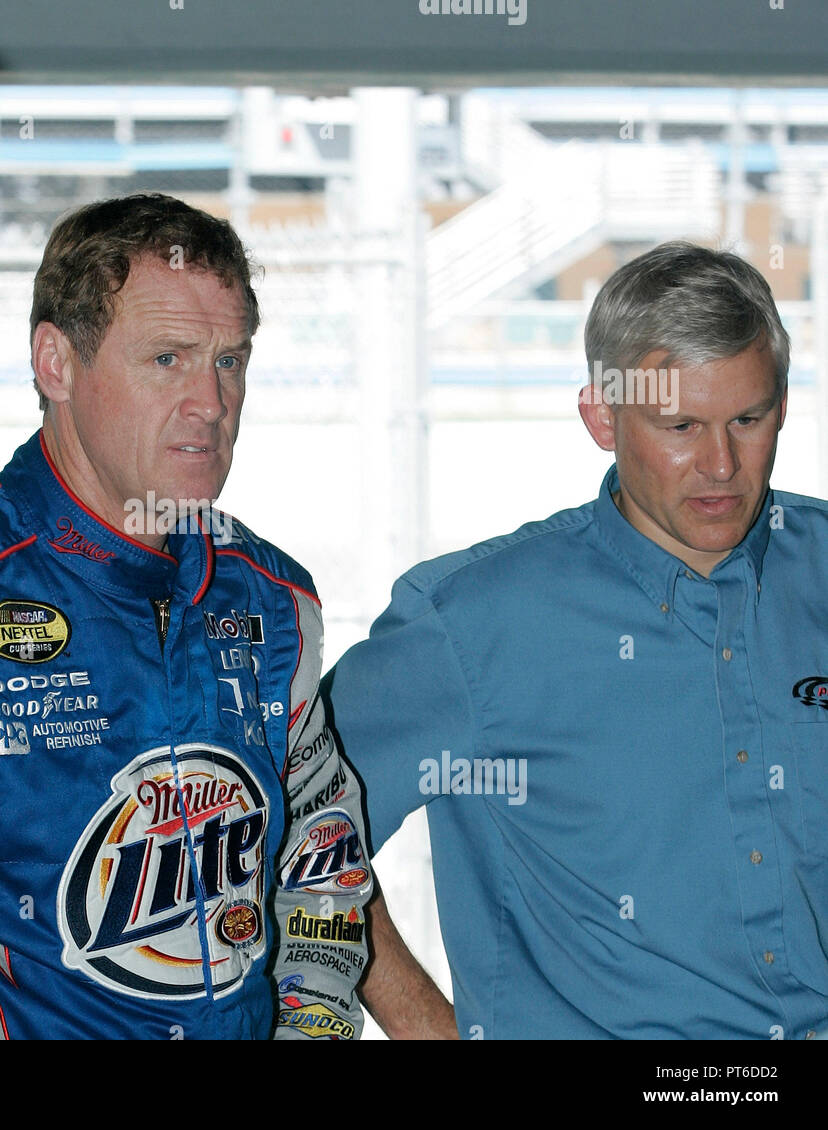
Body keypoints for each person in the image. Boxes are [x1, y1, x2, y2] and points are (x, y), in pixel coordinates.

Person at [0, 193, 373, 1039]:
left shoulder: (276, 601)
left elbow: (321, 857)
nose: (210, 401)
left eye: (230, 361)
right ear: (56, 363)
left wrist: (313, 1028)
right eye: (168, 358)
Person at [326, 240, 828, 1039]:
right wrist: (430, 1031)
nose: (722, 464)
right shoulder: (467, 625)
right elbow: (279, 832)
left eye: (748, 417)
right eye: (681, 425)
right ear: (602, 416)